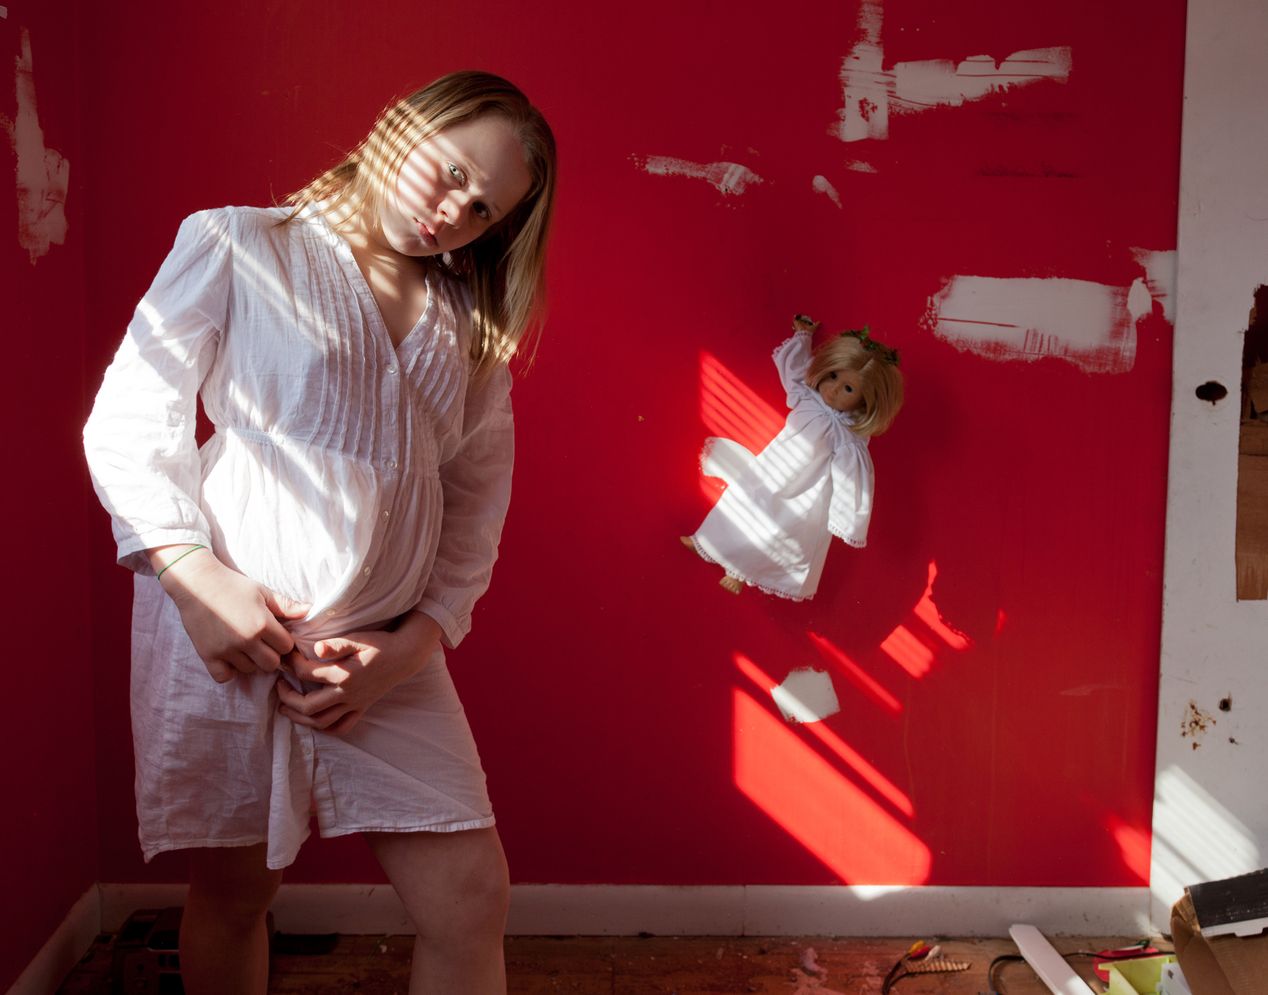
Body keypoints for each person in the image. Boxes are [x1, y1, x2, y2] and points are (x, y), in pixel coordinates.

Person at [83, 70, 556, 995]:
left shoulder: (471, 326)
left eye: (483, 208)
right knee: (233, 890)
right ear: (400, 128)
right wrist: (193, 577)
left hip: (381, 659)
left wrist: (406, 652)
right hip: (224, 639)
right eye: (450, 171)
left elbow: (472, 509)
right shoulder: (238, 243)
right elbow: (129, 423)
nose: (454, 211)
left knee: (469, 896)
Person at [682, 314, 904, 600]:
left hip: (805, 493)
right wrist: (803, 337)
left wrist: (845, 518)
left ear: (866, 401)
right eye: (833, 376)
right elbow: (796, 369)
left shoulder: (847, 436)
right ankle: (705, 541)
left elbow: (851, 478)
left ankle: (741, 572)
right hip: (771, 470)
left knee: (778, 533)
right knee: (740, 504)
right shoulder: (806, 395)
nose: (834, 388)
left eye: (848, 389)